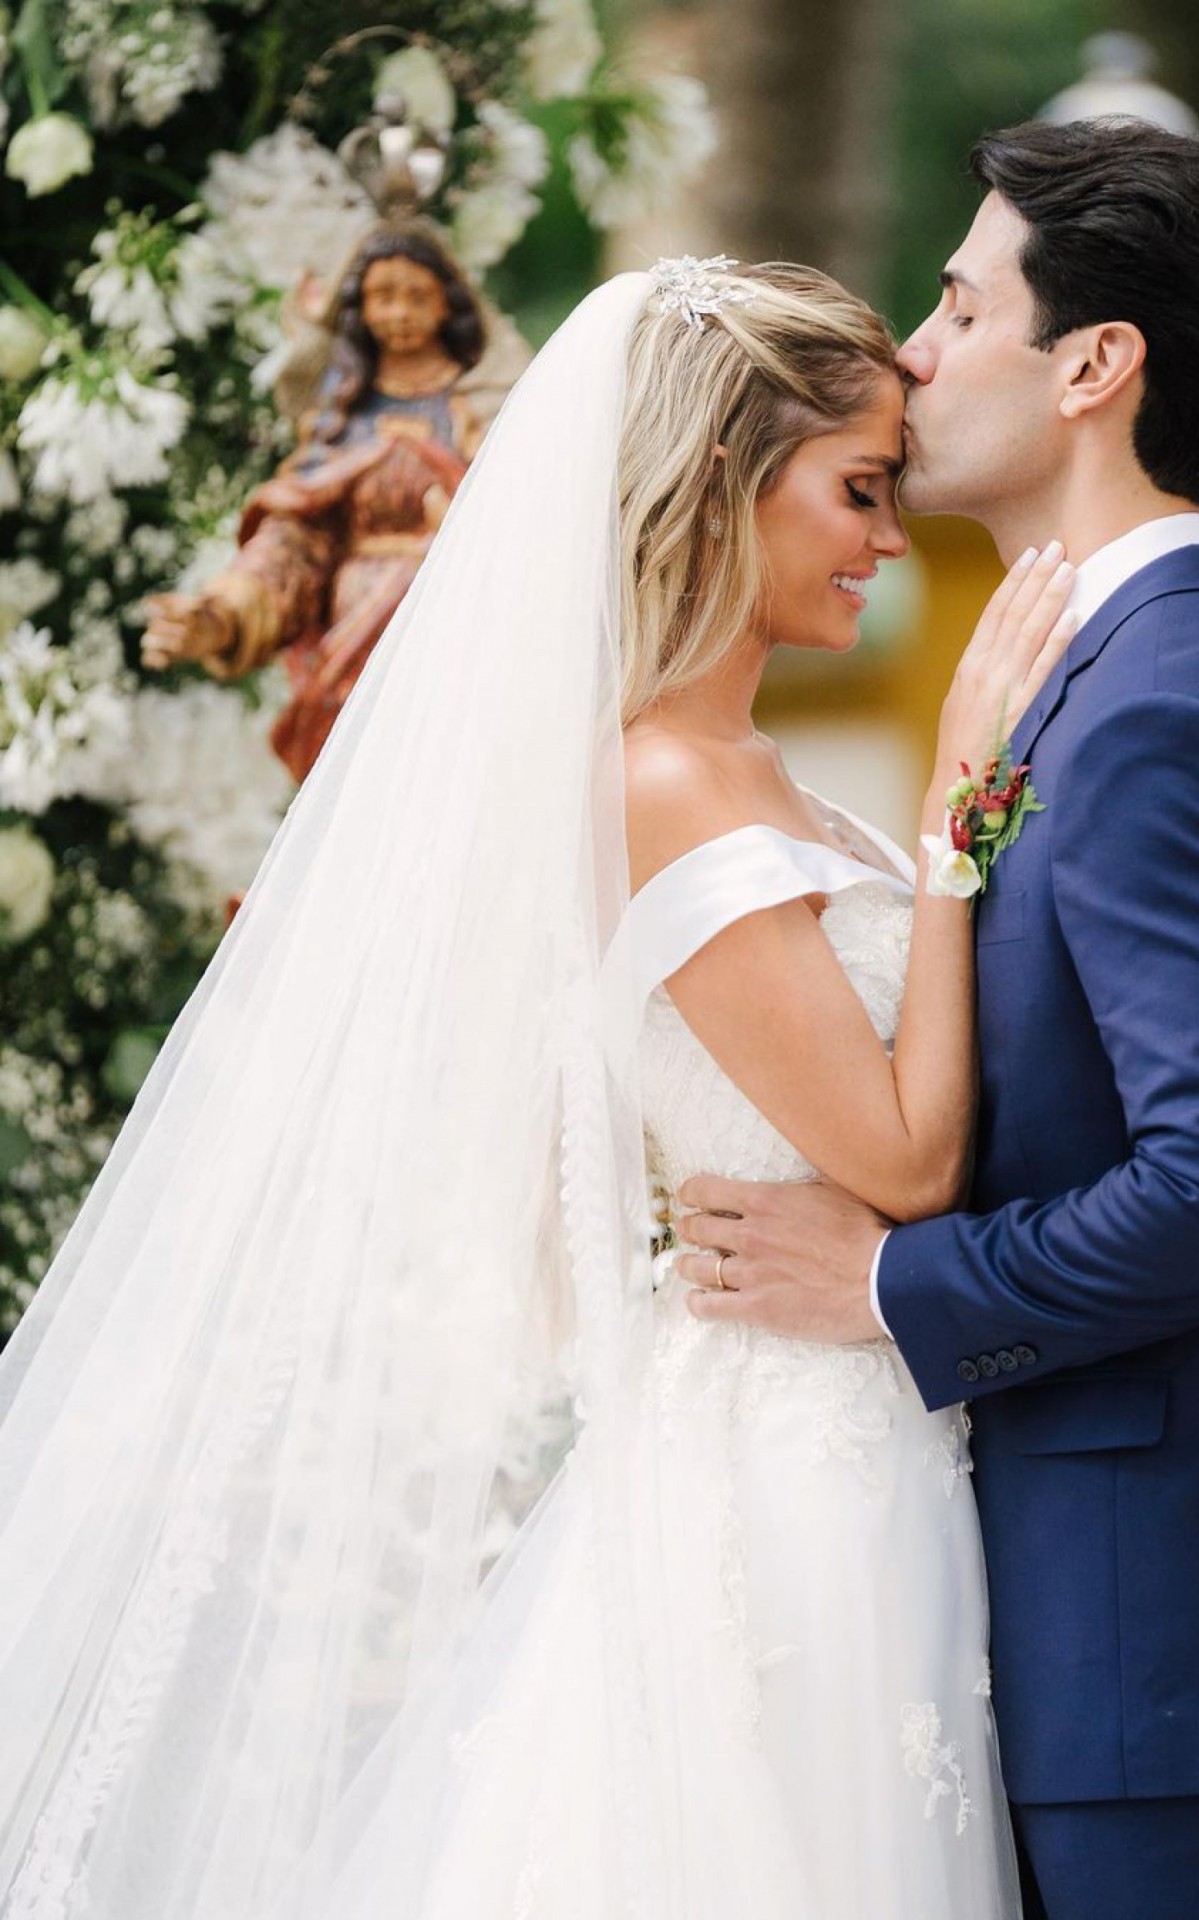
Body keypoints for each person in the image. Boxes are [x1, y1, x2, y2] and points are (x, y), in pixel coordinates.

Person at [0, 257, 1071, 1918]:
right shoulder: (660, 779)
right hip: (785, 1473)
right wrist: (957, 803)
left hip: (848, 1427)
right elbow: (908, 1156)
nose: (884, 536)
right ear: (718, 482)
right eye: (855, 490)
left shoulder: (744, 768)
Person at [674, 122, 1199, 1920]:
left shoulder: (1150, 699)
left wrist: (894, 1287)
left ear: (1090, 366)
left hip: (1139, 1660)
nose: (907, 347)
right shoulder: (1082, 672)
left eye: (957, 303)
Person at [142, 225, 492, 782]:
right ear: (359, 307)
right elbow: (292, 545)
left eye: (416, 296)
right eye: (383, 296)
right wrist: (223, 613)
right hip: (348, 654)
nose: (399, 312)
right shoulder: (341, 420)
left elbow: (523, 531)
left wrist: (468, 537)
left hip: (450, 647)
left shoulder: (483, 407)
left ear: (447, 306)